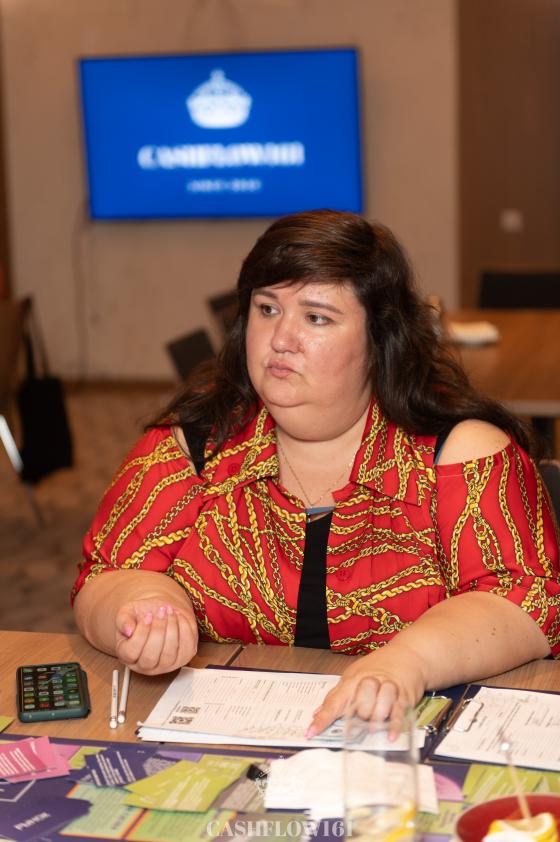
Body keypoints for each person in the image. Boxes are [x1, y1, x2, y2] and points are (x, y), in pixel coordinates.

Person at [72, 209, 560, 737]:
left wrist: (407, 662)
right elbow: (102, 577)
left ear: (379, 339)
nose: (281, 338)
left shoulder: (457, 454)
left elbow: (526, 602)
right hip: (226, 740)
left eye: (317, 318)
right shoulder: (192, 446)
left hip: (405, 745)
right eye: (267, 309)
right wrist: (141, 603)